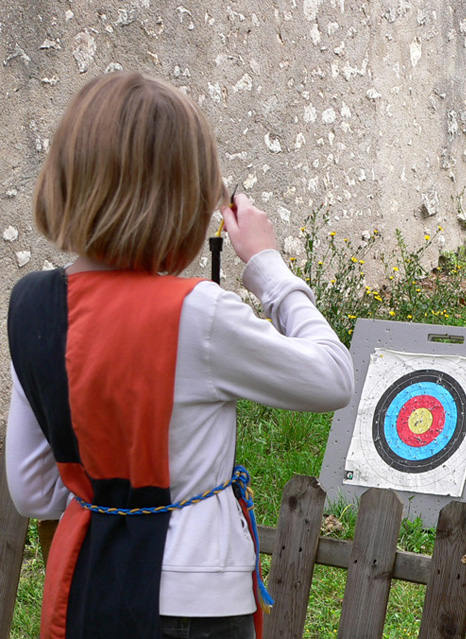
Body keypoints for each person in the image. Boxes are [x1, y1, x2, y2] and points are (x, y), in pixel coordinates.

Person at [4, 71, 355, 639]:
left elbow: (32, 490)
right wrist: (267, 265)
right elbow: (334, 377)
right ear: (182, 198)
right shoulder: (199, 314)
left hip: (88, 587)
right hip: (198, 602)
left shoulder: (33, 305)